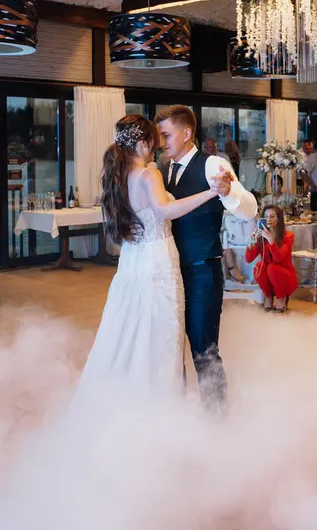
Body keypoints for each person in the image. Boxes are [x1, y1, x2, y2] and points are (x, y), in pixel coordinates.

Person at [78, 115, 224, 399]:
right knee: (162, 332)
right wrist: (211, 193)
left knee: (134, 329)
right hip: (158, 259)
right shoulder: (149, 174)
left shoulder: (118, 175)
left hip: (133, 259)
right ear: (144, 143)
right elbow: (163, 211)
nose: (158, 149)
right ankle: (162, 404)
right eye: (156, 144)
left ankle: (134, 395)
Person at [155, 105, 257, 408]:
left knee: (204, 349)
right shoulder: (162, 170)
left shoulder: (212, 163)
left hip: (202, 270)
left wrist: (227, 192)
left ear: (186, 134)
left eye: (166, 135)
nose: (162, 142)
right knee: (171, 349)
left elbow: (249, 208)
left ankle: (217, 419)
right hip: (169, 272)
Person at [245, 205, 298, 312]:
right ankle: (268, 297)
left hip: (285, 279)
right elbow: (249, 259)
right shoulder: (261, 236)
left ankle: (281, 298)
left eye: (272, 216)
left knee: (272, 267)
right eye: (266, 216)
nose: (268, 219)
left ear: (279, 219)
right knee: (259, 266)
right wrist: (251, 244)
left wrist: (271, 239)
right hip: (269, 281)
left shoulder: (288, 236)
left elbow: (278, 259)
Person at [299, 139, 317, 211]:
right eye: (307, 149)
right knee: (313, 207)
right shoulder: (300, 156)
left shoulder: (316, 157)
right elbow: (303, 172)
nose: (309, 150)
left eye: (310, 149)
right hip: (311, 186)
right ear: (303, 148)